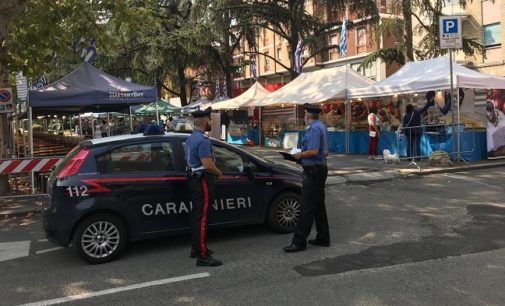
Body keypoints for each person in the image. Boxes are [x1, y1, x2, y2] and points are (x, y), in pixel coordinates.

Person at [284, 103, 330, 253]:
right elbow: (323, 152)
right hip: (318, 168)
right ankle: (323, 237)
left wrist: (299, 155)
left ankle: (299, 242)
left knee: (307, 206)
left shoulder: (314, 128)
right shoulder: (320, 126)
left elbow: (314, 150)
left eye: (304, 115)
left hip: (314, 170)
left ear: (307, 116)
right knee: (318, 205)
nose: (304, 117)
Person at [185, 107, 223, 266]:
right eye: (210, 120)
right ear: (205, 121)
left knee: (197, 216)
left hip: (194, 178)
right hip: (202, 180)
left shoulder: (191, 138)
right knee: (202, 219)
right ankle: (202, 255)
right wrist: (218, 172)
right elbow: (207, 164)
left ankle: (196, 249)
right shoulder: (202, 140)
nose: (211, 122)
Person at [403, 95, 433, 160]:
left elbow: (404, 125)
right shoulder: (416, 112)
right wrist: (429, 103)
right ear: (412, 108)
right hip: (417, 131)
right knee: (417, 144)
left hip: (409, 132)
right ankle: (418, 158)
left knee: (409, 145)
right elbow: (424, 109)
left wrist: (405, 132)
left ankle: (409, 157)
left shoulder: (405, 116)